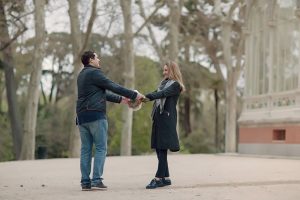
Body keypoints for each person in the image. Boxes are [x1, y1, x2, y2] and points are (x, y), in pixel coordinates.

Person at [76, 50, 144, 191]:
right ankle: (96, 180)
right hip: (96, 115)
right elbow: (113, 86)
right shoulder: (95, 73)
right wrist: (134, 95)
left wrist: (122, 100)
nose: (99, 59)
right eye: (97, 57)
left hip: (81, 117)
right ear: (90, 60)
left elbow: (101, 93)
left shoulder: (81, 75)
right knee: (101, 148)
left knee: (86, 150)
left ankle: (85, 182)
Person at [143, 61, 185, 189]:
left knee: (162, 148)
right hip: (158, 118)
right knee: (158, 147)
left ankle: (158, 178)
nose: (164, 72)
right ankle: (165, 178)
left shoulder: (175, 85)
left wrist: (148, 97)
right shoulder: (163, 84)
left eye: (166, 70)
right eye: (164, 70)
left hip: (166, 119)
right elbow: (156, 92)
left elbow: (161, 94)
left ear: (173, 71)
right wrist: (141, 98)